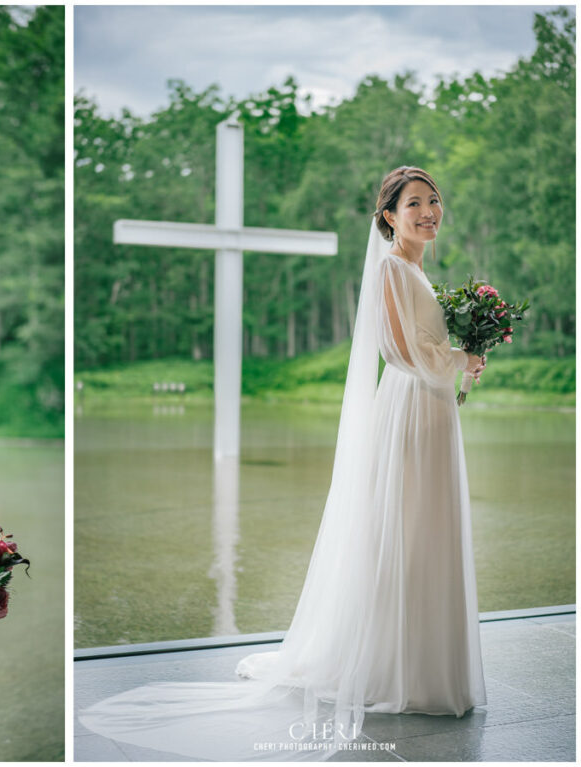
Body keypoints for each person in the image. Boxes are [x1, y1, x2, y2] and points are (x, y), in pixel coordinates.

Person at [78, 167, 488, 760]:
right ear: (389, 216)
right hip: (408, 412)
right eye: (415, 203)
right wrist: (456, 355)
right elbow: (398, 352)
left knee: (431, 531)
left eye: (434, 201)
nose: (429, 211)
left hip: (433, 412)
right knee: (408, 530)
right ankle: (399, 671)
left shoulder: (421, 271)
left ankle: (429, 665)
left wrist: (466, 359)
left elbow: (428, 350)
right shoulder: (391, 269)